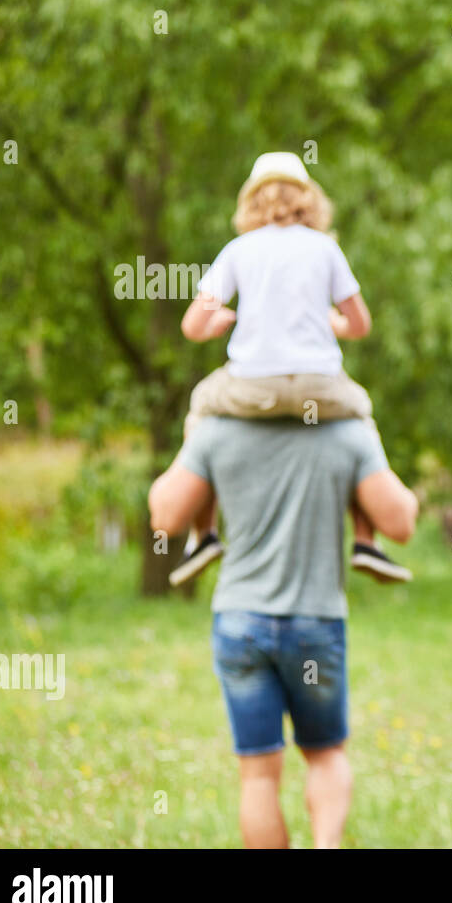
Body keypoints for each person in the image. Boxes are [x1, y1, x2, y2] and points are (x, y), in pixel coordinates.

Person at [148, 414, 418, 848]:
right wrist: (371, 439)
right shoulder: (346, 430)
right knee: (326, 754)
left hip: (240, 623)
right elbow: (402, 522)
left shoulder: (217, 429)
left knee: (257, 774)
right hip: (315, 623)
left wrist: (192, 435)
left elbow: (163, 514)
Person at [170, 150, 408, 587]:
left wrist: (221, 320)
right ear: (309, 200)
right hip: (320, 385)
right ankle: (366, 539)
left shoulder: (239, 250)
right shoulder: (325, 249)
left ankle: (202, 532)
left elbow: (192, 325)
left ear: (250, 203)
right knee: (359, 412)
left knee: (202, 402)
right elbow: (360, 324)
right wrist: (330, 322)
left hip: (252, 385)